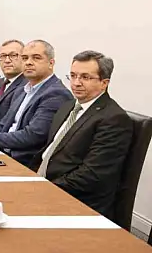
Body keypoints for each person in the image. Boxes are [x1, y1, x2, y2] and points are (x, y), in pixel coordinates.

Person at [31, 51, 133, 220]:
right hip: (44, 183)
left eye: (85, 77)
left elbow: (91, 175)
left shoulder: (114, 119)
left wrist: (43, 188)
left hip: (75, 200)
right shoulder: (69, 106)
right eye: (73, 76)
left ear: (104, 83)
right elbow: (49, 150)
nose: (76, 83)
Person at [0, 40, 72, 168]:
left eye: (36, 58)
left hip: (23, 163)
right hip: (3, 152)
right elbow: (4, 124)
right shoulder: (23, 89)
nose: (28, 62)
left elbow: (32, 136)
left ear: (51, 63)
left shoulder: (56, 93)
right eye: (25, 58)